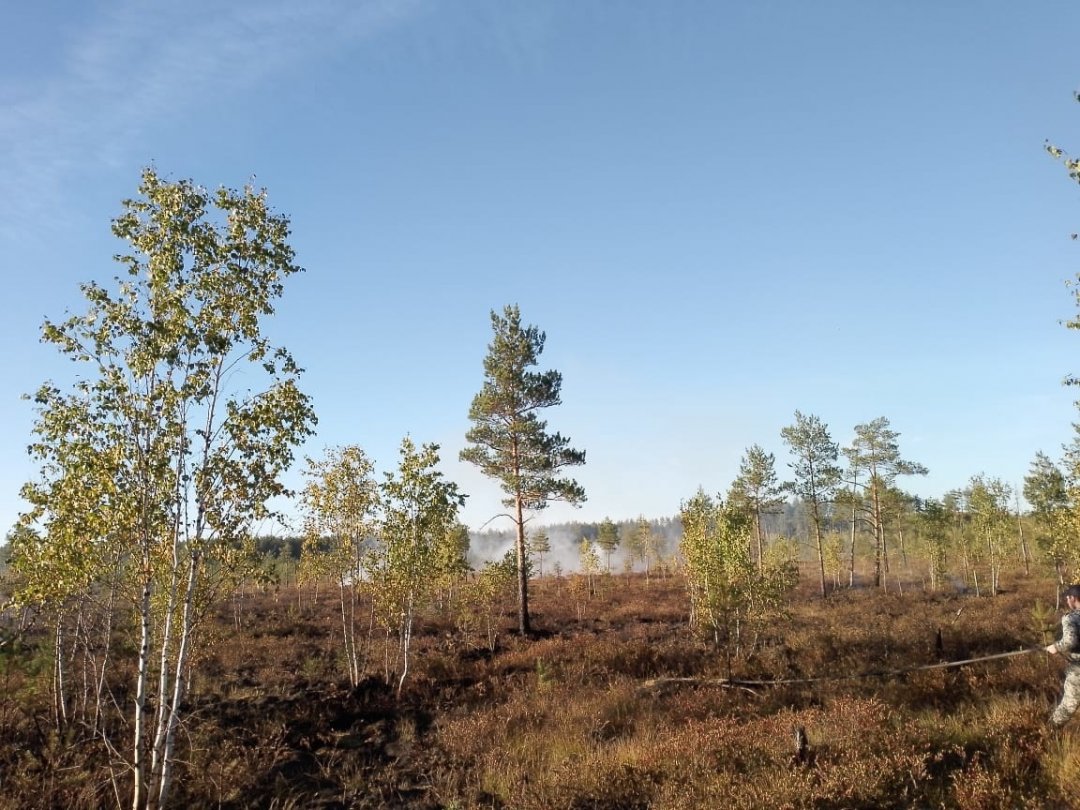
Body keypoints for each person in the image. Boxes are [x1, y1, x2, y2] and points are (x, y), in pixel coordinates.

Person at [1046, 583, 1080, 728]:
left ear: (1074, 598)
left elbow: (1070, 641)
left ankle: (1049, 732)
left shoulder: (1071, 618)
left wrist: (1056, 647)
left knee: (1069, 705)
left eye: (1068, 598)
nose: (1067, 601)